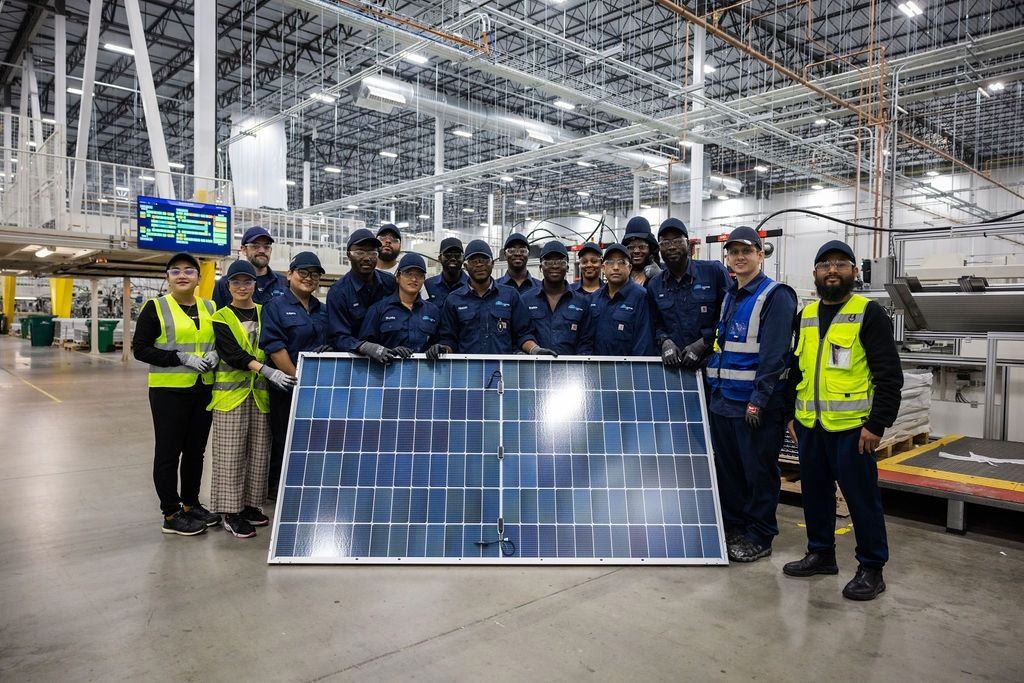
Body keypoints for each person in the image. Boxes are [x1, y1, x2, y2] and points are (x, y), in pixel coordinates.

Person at [783, 240, 903, 601]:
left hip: (854, 429)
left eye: (840, 264)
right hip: (810, 426)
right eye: (825, 264)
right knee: (815, 495)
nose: (832, 270)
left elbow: (889, 375)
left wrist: (877, 424)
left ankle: (871, 567)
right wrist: (791, 413)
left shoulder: (868, 313)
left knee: (861, 499)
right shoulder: (803, 315)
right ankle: (821, 553)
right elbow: (794, 370)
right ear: (815, 273)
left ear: (854, 272)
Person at [705, 226, 797, 563]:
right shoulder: (731, 295)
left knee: (758, 471)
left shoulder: (775, 295)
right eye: (734, 252)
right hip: (723, 402)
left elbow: (774, 356)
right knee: (730, 471)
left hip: (754, 407)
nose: (740, 257)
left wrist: (759, 400)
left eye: (747, 251)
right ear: (727, 257)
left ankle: (760, 534)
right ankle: (734, 527)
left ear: (761, 254)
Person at [132, 252, 221, 536]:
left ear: (198, 277)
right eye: (175, 271)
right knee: (169, 453)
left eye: (189, 271)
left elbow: (219, 339)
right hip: (168, 391)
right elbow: (141, 349)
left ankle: (190, 504)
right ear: (167, 277)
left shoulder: (210, 307)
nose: (182, 275)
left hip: (203, 389)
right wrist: (180, 357)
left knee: (196, 452)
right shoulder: (155, 307)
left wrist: (217, 353)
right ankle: (170, 513)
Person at [208, 260, 297, 538]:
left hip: (260, 396)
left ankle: (249, 505)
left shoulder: (265, 312)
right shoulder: (220, 317)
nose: (242, 287)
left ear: (254, 285)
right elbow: (231, 352)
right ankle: (230, 512)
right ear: (228, 286)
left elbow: (273, 342)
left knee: (259, 453)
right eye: (236, 282)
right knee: (231, 455)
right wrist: (267, 370)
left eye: (247, 282)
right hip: (230, 397)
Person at [259, 251, 329, 499]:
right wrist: (298, 378)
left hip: (316, 389)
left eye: (314, 274)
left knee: (310, 438)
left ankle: (306, 483)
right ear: (289, 274)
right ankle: (278, 489)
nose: (309, 278)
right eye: (303, 272)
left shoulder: (322, 310)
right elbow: (275, 348)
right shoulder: (275, 307)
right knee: (283, 438)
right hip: (286, 387)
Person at [429, 239, 553, 357]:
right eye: (473, 261)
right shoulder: (454, 300)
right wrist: (443, 349)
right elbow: (449, 339)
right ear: (465, 266)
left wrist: (536, 350)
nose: (479, 265)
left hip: (503, 370)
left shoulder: (510, 295)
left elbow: (523, 334)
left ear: (492, 264)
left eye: (484, 260)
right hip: (467, 371)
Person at [648, 218, 731, 369]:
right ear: (659, 249)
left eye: (678, 241)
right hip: (673, 369)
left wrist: (704, 342)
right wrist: (665, 341)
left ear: (688, 244)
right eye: (665, 243)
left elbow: (730, 315)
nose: (672, 247)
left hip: (712, 366)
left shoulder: (714, 272)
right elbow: (655, 323)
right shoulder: (655, 285)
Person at [360, 253, 441, 363]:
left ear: (423, 280)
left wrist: (439, 348)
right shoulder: (378, 310)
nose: (414, 279)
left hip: (423, 374)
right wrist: (389, 352)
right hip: (385, 374)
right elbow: (364, 345)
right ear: (398, 277)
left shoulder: (433, 311)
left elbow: (443, 341)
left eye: (419, 275)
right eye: (408, 273)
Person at [327, 228, 397, 352]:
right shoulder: (338, 292)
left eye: (372, 252)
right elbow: (338, 337)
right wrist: (362, 346)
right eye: (359, 252)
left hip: (390, 355)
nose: (366, 258)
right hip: (355, 360)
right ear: (348, 255)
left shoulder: (390, 283)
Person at [521, 241, 595, 355]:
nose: (554, 266)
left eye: (560, 261)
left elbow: (586, 342)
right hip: (534, 368)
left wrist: (577, 366)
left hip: (571, 370)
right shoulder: (526, 300)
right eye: (548, 262)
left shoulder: (582, 302)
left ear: (567, 267)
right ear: (541, 267)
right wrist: (535, 350)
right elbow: (522, 334)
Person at [588, 243, 656, 356]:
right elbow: (587, 338)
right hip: (597, 369)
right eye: (610, 263)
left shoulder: (641, 296)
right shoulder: (594, 298)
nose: (615, 267)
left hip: (627, 370)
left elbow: (643, 344)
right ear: (603, 268)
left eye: (621, 262)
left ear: (629, 268)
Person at [212, 226, 288, 309]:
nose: (262, 251)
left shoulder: (284, 283)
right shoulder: (224, 284)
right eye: (255, 246)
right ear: (244, 250)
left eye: (266, 247)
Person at [424, 237, 469, 307]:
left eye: (457, 255)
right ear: (439, 258)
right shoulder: (428, 285)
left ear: (463, 258)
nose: (453, 258)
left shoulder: (471, 286)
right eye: (447, 255)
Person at [622, 216, 661, 287]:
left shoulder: (663, 274)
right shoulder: (621, 276)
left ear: (651, 248)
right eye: (631, 247)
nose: (636, 251)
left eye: (642, 247)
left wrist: (659, 276)